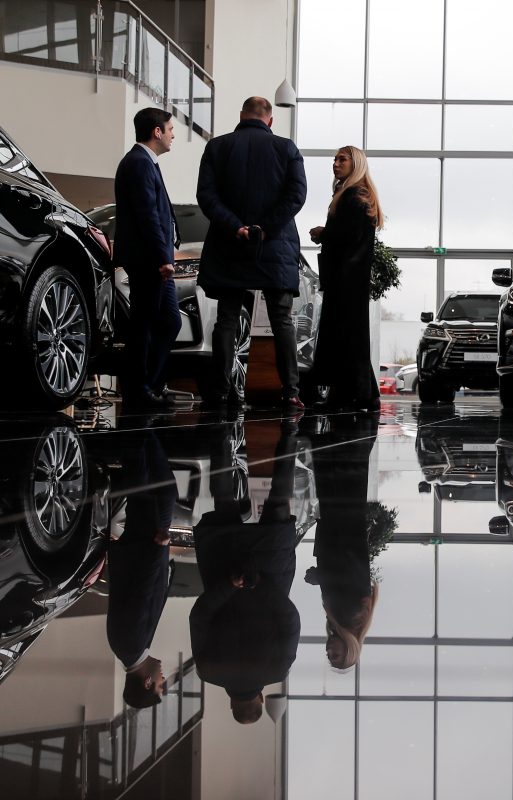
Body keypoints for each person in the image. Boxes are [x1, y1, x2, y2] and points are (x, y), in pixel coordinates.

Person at [196, 96, 307, 412]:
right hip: (275, 245)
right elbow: (296, 196)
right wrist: (264, 228)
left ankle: (219, 391)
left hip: (229, 244)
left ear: (242, 115)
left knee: (227, 319)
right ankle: (290, 393)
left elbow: (206, 195)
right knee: (282, 321)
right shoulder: (287, 149)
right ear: (270, 120)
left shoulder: (217, 147)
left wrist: (237, 227)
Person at [190, 420, 302, 724]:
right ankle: (221, 433)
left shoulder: (277, 670)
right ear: (231, 705)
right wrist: (231, 585)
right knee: (223, 498)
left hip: (271, 569)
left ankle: (289, 432)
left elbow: (290, 620)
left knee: (278, 497)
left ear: (261, 700)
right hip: (222, 566)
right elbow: (200, 616)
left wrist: (260, 585)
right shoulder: (208, 671)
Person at [113, 107, 182, 410]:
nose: (173, 134)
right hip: (148, 260)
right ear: (157, 132)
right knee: (145, 324)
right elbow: (147, 216)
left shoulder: (146, 162)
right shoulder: (139, 163)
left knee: (168, 321)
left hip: (156, 258)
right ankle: (138, 390)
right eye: (170, 129)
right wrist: (161, 256)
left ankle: (150, 385)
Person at [105, 430, 177, 708]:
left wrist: (157, 550)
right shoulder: (127, 647)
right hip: (142, 548)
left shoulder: (131, 644)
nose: (163, 677)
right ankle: (142, 429)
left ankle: (139, 426)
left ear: (147, 683)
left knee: (145, 489)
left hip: (144, 547)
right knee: (160, 492)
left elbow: (141, 593)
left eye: (161, 683)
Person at [309, 146, 383, 412]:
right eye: (334, 159)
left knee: (343, 336)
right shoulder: (358, 195)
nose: (336, 164)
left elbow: (348, 237)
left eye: (342, 159)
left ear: (356, 164)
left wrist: (322, 233)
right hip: (351, 278)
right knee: (351, 336)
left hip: (345, 278)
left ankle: (348, 396)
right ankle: (362, 394)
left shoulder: (353, 195)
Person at [305, 414, 380, 669]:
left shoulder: (347, 619)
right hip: (341, 531)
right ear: (349, 650)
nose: (328, 652)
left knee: (345, 474)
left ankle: (351, 428)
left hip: (343, 530)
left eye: (329, 657)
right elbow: (348, 573)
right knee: (338, 474)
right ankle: (346, 426)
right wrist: (320, 576)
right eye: (335, 655)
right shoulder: (351, 616)